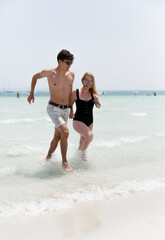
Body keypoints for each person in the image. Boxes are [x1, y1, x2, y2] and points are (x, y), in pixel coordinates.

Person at [27, 49, 74, 172]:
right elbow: (34, 77)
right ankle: (65, 162)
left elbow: (70, 93)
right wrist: (32, 93)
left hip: (65, 110)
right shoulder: (49, 72)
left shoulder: (71, 75)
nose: (69, 65)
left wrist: (71, 109)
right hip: (53, 108)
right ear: (60, 61)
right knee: (66, 132)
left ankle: (48, 157)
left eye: (71, 63)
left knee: (58, 137)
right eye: (67, 62)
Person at [72, 72, 101, 161]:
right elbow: (70, 105)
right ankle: (83, 156)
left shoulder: (93, 95)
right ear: (82, 80)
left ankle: (77, 157)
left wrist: (97, 101)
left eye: (91, 82)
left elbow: (99, 106)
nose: (88, 84)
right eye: (87, 81)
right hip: (78, 121)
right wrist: (70, 113)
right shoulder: (76, 92)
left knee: (82, 141)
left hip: (90, 122)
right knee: (89, 136)